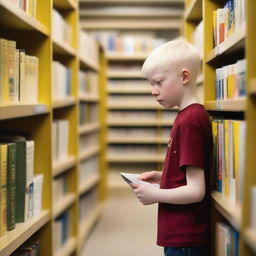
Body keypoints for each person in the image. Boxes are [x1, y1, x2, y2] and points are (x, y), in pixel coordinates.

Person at [130, 39, 212, 256]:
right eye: (150, 84)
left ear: (185, 77)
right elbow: (188, 174)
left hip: (186, 237)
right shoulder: (187, 115)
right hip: (182, 235)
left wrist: (154, 195)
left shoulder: (190, 120)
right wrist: (163, 177)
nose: (153, 91)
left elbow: (196, 191)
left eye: (158, 82)